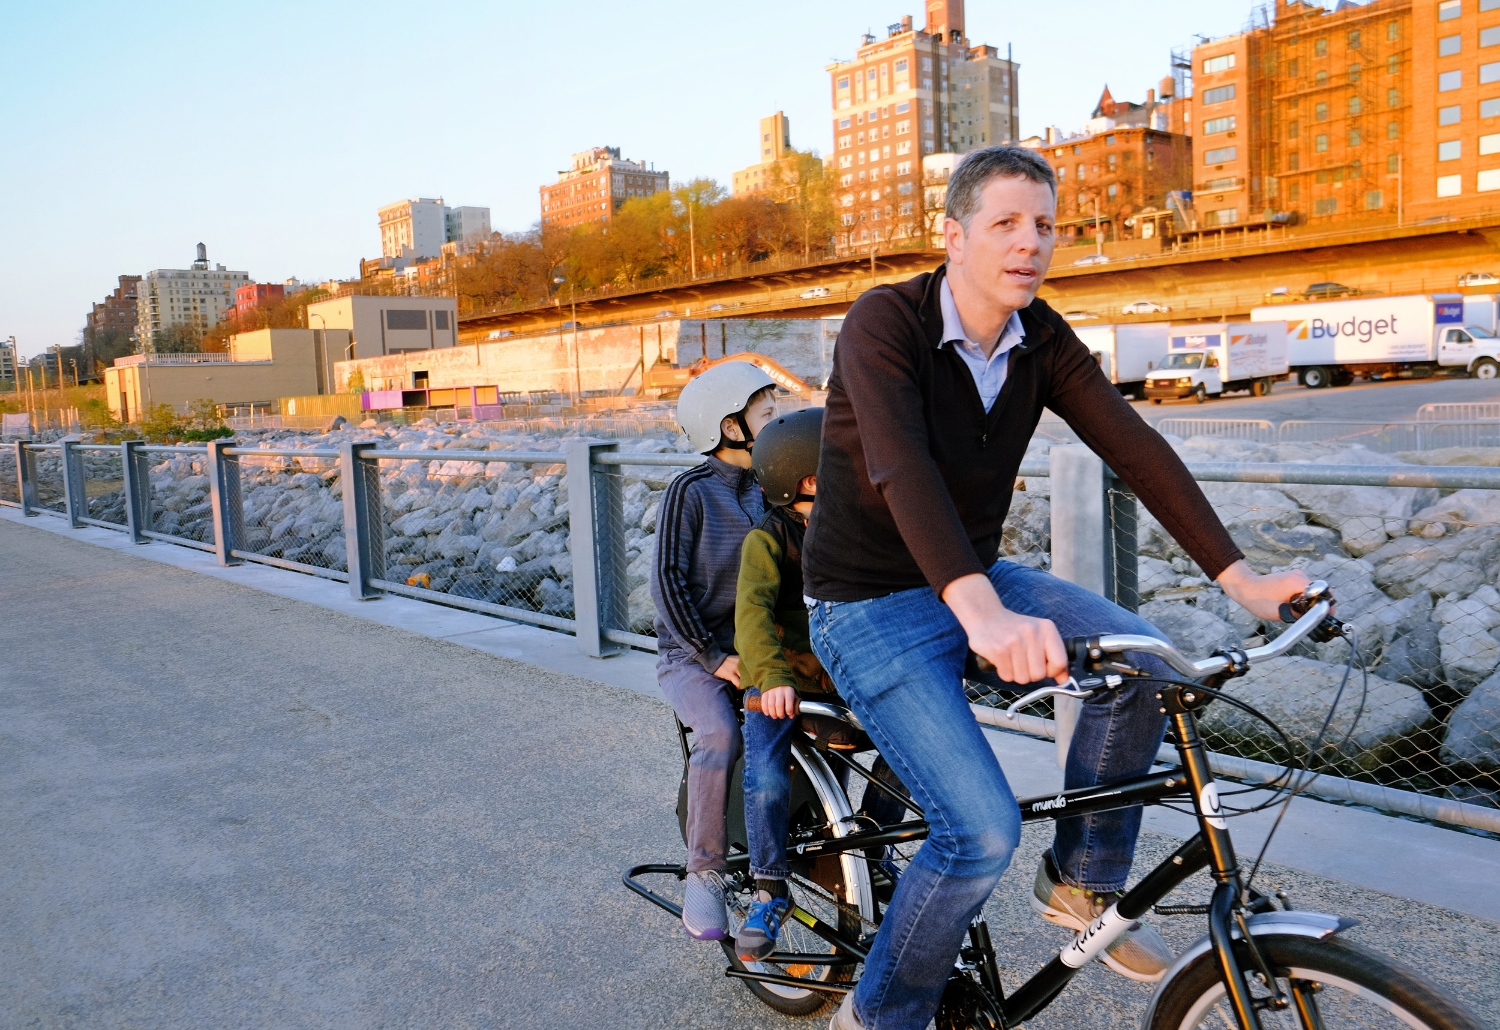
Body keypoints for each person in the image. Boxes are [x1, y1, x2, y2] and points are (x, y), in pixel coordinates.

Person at [803, 146, 1310, 1030]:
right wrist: (981, 609)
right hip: (867, 605)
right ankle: (880, 1013)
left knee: (1151, 667)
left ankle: (1081, 881)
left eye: (1044, 225)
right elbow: (899, 466)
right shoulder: (884, 322)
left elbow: (1135, 447)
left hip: (973, 580)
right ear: (953, 236)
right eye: (1005, 223)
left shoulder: (1041, 337)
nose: (1029, 243)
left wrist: (1245, 581)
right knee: (979, 832)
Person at [732, 408, 909, 962]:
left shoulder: (851, 527)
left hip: (844, 675)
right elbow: (752, 617)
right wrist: (773, 680)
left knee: (912, 746)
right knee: (764, 774)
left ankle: (872, 847)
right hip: (780, 678)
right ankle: (769, 888)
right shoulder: (767, 541)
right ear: (807, 482)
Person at [651, 362, 778, 941]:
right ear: (731, 428)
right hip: (690, 654)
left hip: (757, 646)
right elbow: (666, 583)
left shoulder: (771, 487)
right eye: (765, 413)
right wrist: (710, 657)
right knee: (721, 734)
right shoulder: (691, 491)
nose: (776, 420)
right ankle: (704, 873)